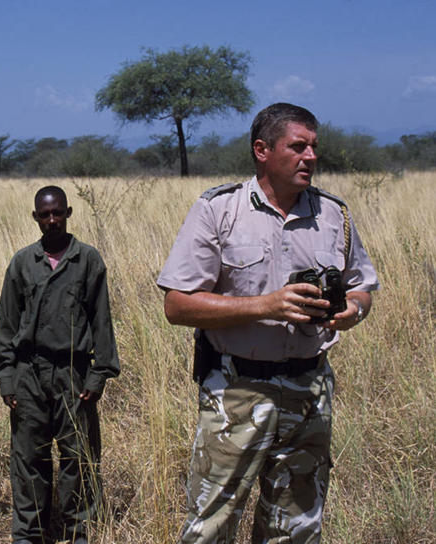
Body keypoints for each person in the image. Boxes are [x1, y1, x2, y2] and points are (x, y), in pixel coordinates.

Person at [157, 103, 379, 543]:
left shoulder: (335, 215)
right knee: (211, 526)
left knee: (296, 527)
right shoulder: (219, 210)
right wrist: (266, 306)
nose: (310, 157)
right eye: (298, 146)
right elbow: (178, 306)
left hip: (309, 392)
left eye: (314, 147)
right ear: (262, 150)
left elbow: (362, 288)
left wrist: (352, 312)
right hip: (236, 391)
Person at [0, 185, 120, 544]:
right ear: (35, 218)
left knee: (77, 458)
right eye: (45, 214)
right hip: (29, 373)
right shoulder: (22, 262)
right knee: (29, 459)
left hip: (73, 373)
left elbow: (102, 322)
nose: (52, 220)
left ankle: (77, 530)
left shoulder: (87, 260)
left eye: (58, 212)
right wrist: (6, 376)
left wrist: (100, 374)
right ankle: (29, 534)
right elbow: (6, 323)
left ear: (68, 213)